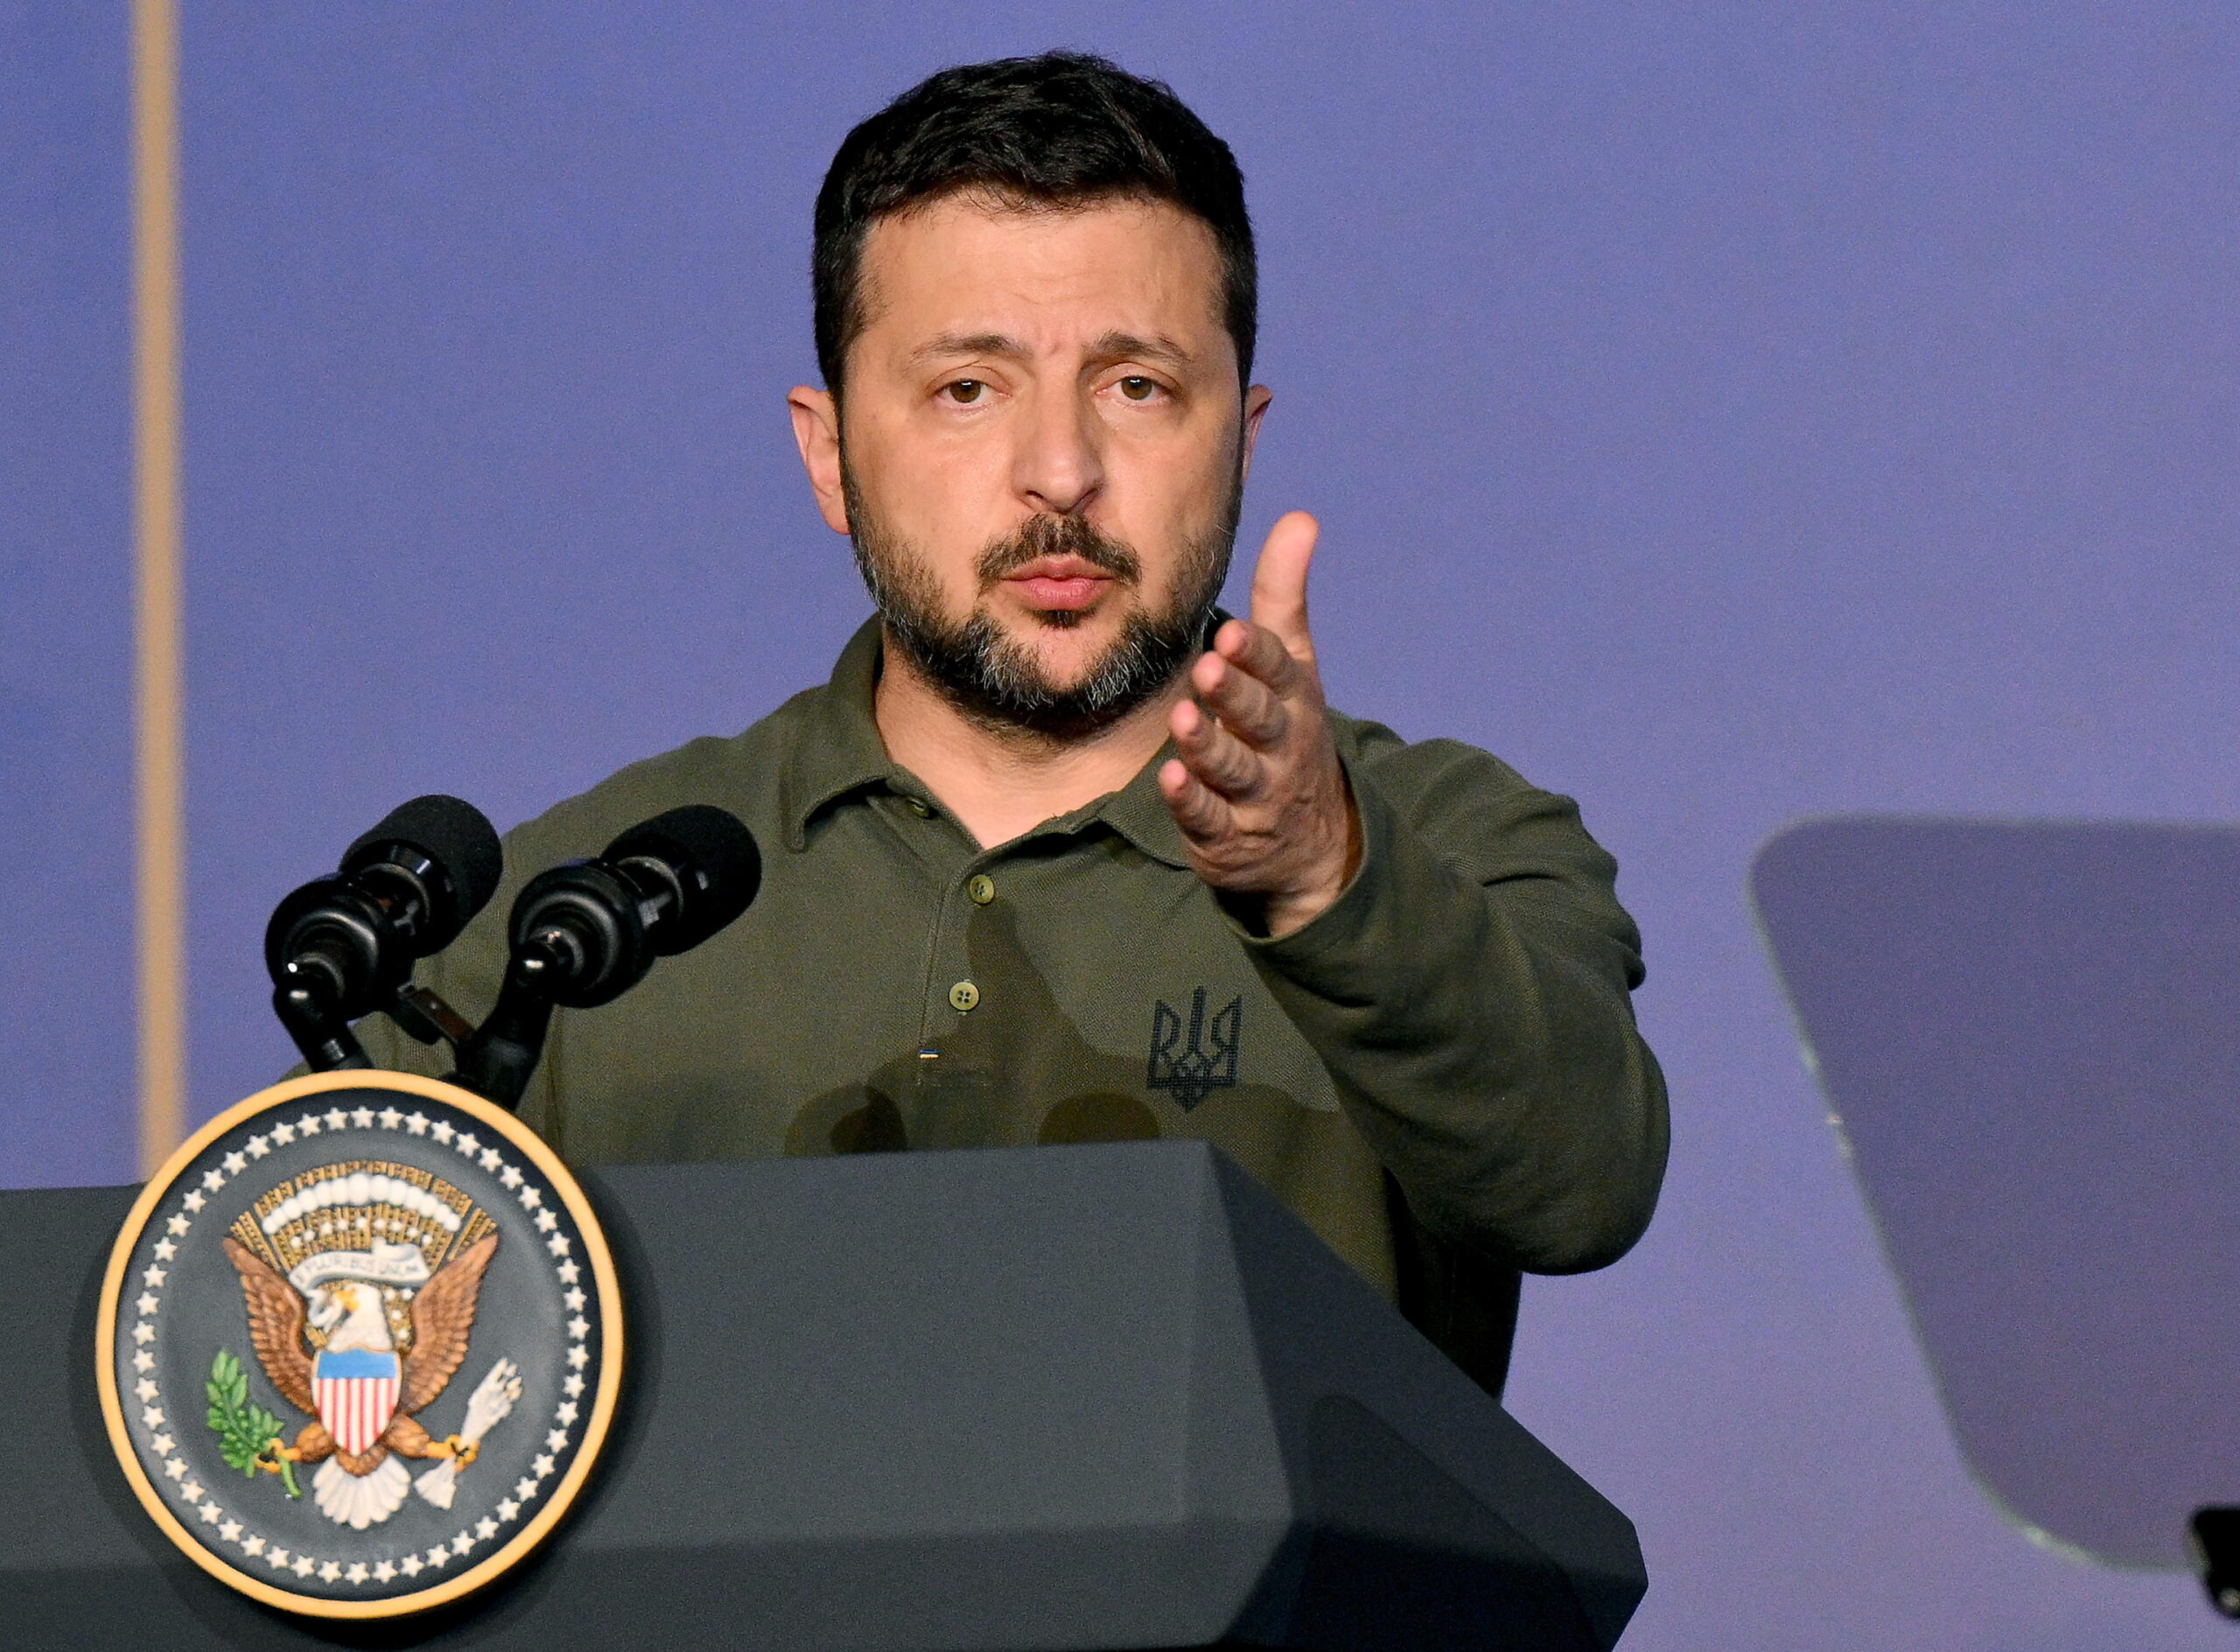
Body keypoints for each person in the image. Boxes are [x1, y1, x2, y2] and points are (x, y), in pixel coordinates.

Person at [352, 51, 1668, 1396]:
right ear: (829, 456)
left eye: (1136, 385)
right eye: (967, 389)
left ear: (1243, 438)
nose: (1060, 473)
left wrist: (1326, 880)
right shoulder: (566, 921)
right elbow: (315, 1367)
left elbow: (1579, 1191)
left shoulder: (1449, 840)